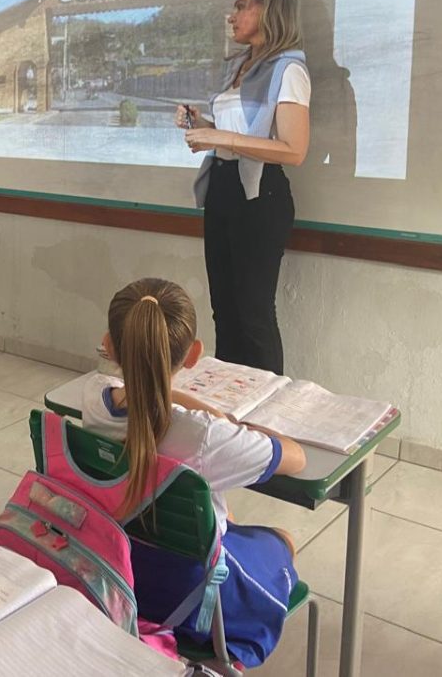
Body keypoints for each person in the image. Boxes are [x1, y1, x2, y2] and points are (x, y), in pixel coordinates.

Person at [82, 277, 306, 667]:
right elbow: (296, 458)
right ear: (193, 355)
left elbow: (140, 398)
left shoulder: (92, 399)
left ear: (109, 344)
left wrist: (187, 404)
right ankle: (222, 655)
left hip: (115, 570)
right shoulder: (202, 435)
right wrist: (219, 418)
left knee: (227, 518)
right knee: (282, 539)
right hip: (187, 593)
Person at [176, 0, 311, 374]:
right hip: (222, 188)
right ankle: (230, 401)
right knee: (224, 310)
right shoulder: (240, 66)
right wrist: (202, 124)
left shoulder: (289, 70)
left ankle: (268, 406)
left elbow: (294, 150)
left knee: (254, 314)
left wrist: (223, 136)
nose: (231, 16)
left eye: (241, 7)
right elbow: (239, 133)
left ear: (268, 11)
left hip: (259, 195)